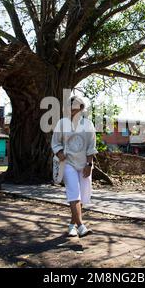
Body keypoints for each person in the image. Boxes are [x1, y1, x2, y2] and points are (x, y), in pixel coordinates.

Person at [51, 96, 98, 237]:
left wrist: (89, 164)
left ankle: (72, 225)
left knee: (82, 196)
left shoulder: (88, 124)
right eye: (70, 106)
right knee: (74, 193)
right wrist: (60, 154)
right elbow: (55, 142)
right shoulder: (62, 123)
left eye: (75, 106)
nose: (72, 109)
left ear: (82, 108)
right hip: (67, 163)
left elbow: (91, 146)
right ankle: (81, 227)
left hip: (84, 164)